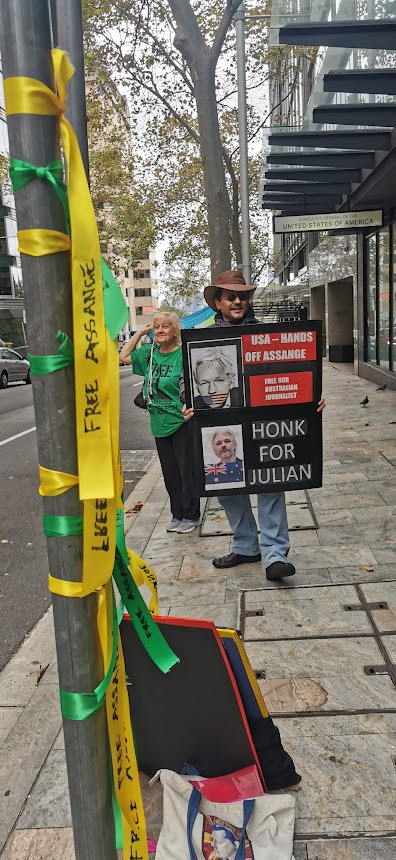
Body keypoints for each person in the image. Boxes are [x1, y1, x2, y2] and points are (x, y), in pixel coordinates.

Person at [183, 270, 325, 581]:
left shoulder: (268, 336)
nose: (237, 301)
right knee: (228, 487)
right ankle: (246, 545)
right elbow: (187, 384)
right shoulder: (200, 341)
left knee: (271, 485)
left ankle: (275, 554)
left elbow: (292, 374)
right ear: (217, 303)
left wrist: (310, 402)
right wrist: (188, 404)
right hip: (222, 429)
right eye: (230, 296)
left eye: (243, 296)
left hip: (265, 429)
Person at [119, 312, 200, 534]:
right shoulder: (150, 354)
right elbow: (124, 356)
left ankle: (191, 514)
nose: (160, 330)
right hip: (159, 422)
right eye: (156, 327)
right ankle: (177, 514)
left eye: (165, 326)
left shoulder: (183, 354)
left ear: (175, 330)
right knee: (170, 473)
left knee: (186, 472)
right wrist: (140, 333)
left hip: (181, 421)